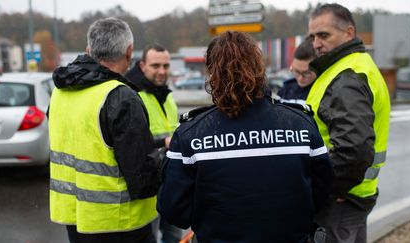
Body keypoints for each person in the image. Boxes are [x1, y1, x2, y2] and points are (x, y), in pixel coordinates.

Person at [157, 31, 333, 242]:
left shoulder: (190, 134)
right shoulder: (300, 124)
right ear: (259, 69)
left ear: (213, 73)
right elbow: (322, 193)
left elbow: (175, 211)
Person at [48, 17, 160, 243]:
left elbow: (87, 143)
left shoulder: (59, 94)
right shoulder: (121, 97)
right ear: (129, 52)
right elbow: (142, 180)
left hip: (75, 220)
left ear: (88, 50)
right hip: (121, 225)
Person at [306, 4, 391, 242]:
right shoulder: (356, 66)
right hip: (354, 196)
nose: (316, 44)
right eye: (313, 37)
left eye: (324, 35)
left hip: (339, 202)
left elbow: (353, 150)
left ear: (349, 32)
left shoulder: (347, 77)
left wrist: (324, 191)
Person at [126, 44, 181, 243]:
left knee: (173, 235)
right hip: (149, 182)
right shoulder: (132, 95)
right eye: (155, 66)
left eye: (166, 66)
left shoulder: (166, 94)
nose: (161, 71)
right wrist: (162, 142)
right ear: (142, 66)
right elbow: (130, 142)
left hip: (171, 178)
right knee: (150, 236)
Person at [277, 37, 317, 105]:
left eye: (306, 73)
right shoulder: (285, 90)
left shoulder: (324, 92)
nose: (300, 78)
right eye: (296, 71)